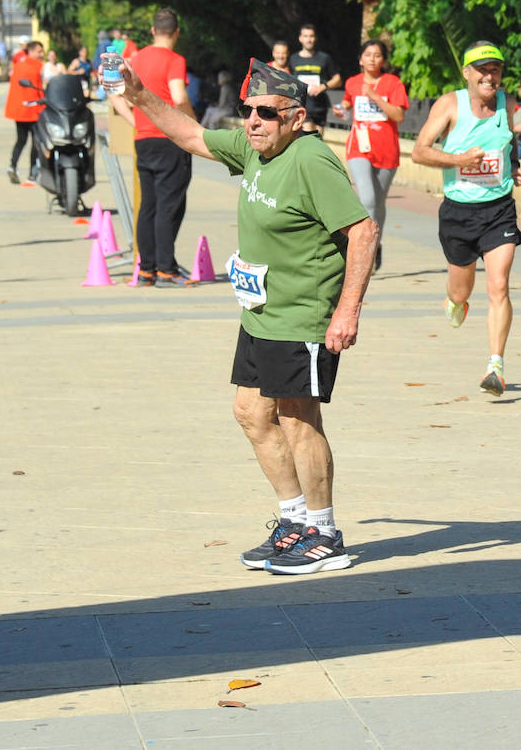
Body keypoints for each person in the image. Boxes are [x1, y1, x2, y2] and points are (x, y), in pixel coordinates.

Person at [115, 55, 376, 574]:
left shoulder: (310, 161)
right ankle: (295, 522)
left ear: (297, 118)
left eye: (267, 113)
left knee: (298, 420)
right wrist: (139, 94)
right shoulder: (256, 149)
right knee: (251, 413)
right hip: (260, 314)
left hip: (302, 317)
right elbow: (190, 135)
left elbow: (362, 232)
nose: (253, 121)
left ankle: (324, 536)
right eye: (247, 110)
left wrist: (347, 312)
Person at [411, 42, 521, 397]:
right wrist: (459, 160)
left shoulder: (507, 104)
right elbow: (420, 151)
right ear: (467, 73)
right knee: (461, 290)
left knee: (499, 285)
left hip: (499, 210)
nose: (489, 76)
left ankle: (495, 364)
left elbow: (506, 146)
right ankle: (456, 301)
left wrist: (517, 168)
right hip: (458, 212)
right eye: (481, 69)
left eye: (495, 69)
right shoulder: (450, 105)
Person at [106, 8, 195, 286]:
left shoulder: (136, 58)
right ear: (177, 33)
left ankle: (147, 269)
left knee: (149, 205)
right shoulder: (175, 59)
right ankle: (166, 269)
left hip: (143, 139)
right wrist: (193, 124)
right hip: (171, 138)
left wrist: (133, 119)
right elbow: (179, 97)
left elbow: (112, 91)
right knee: (170, 205)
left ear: (153, 31)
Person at [341, 40, 408, 273]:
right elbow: (347, 103)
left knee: (378, 202)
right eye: (367, 55)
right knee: (367, 197)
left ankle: (375, 244)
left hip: (387, 149)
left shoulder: (393, 83)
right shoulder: (352, 82)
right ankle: (362, 249)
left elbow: (398, 115)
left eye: (377, 55)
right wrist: (342, 110)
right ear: (360, 59)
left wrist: (375, 97)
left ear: (383, 60)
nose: (372, 59)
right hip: (358, 147)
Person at [4, 40, 46, 184]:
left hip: (20, 110)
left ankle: (12, 166)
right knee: (35, 142)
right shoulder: (39, 67)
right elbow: (41, 87)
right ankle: (32, 172)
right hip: (34, 109)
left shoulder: (19, 65)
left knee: (21, 140)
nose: (42, 54)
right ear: (32, 51)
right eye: (39, 51)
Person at [292, 24, 340, 134]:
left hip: (319, 106)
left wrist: (323, 87)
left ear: (315, 38)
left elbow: (338, 79)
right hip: (302, 105)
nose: (308, 40)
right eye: (305, 36)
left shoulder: (324, 58)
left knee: (318, 139)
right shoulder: (293, 59)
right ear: (300, 38)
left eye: (311, 36)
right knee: (308, 137)